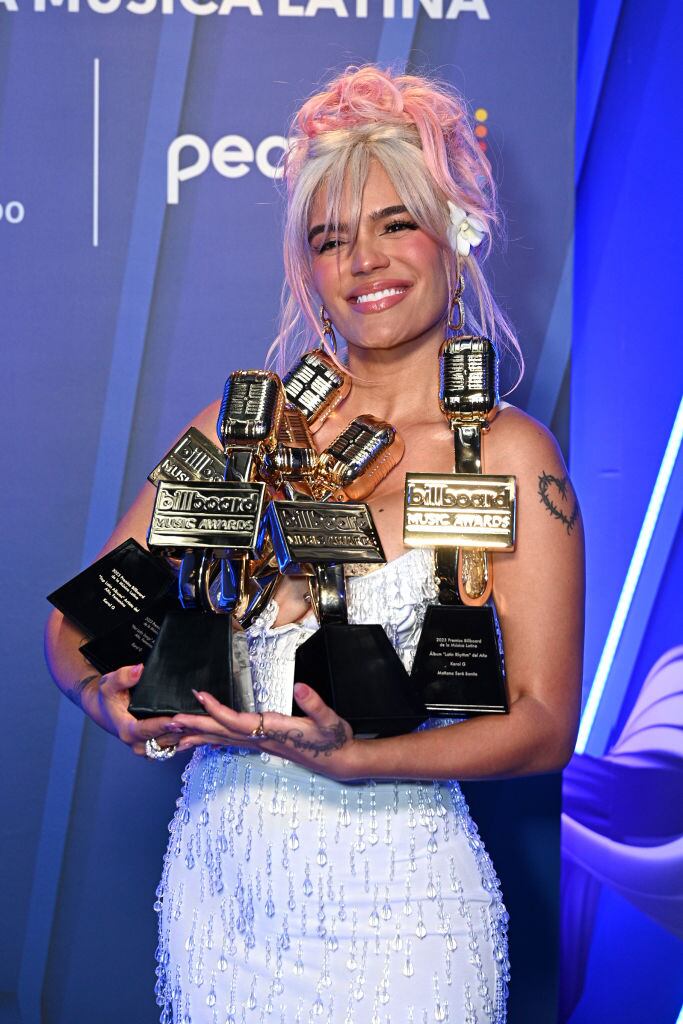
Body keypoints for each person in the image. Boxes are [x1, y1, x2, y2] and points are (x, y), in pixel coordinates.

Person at [45, 66, 584, 1023]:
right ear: (307, 264)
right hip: (221, 897)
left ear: (452, 235)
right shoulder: (241, 432)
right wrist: (108, 703)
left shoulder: (503, 453)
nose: (364, 263)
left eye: (393, 224)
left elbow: (544, 724)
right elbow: (81, 630)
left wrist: (352, 758)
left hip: (404, 910)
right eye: (331, 239)